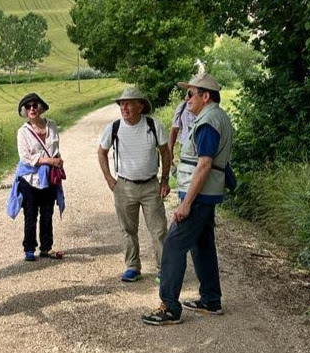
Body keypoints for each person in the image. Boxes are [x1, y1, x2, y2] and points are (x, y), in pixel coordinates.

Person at [142, 73, 233, 326]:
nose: (187, 99)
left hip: (199, 196)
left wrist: (186, 203)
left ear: (206, 96)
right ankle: (211, 300)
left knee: (173, 245)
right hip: (206, 194)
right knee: (202, 245)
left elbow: (204, 165)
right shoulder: (217, 117)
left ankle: (169, 307)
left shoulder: (207, 122)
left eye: (191, 93)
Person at [97, 87, 171, 283]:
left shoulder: (154, 125)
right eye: (122, 104)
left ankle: (164, 269)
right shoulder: (113, 128)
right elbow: (101, 152)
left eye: (129, 103)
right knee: (128, 229)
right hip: (124, 186)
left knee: (159, 229)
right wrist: (110, 180)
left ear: (140, 106)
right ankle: (132, 266)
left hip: (150, 186)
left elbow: (165, 152)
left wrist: (165, 179)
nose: (124, 107)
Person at [14, 92, 65, 262]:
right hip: (30, 179)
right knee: (30, 213)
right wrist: (50, 160)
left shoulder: (52, 125)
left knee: (47, 212)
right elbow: (25, 158)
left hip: (49, 177)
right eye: (28, 106)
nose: (32, 109)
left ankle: (46, 247)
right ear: (25, 111)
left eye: (35, 105)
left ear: (40, 108)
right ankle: (29, 248)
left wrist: (58, 161)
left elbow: (56, 148)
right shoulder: (23, 132)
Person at [168, 88, 196, 164]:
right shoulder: (182, 107)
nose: (186, 97)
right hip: (184, 145)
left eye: (190, 94)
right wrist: (170, 150)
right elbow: (174, 129)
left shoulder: (206, 110)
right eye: (187, 94)